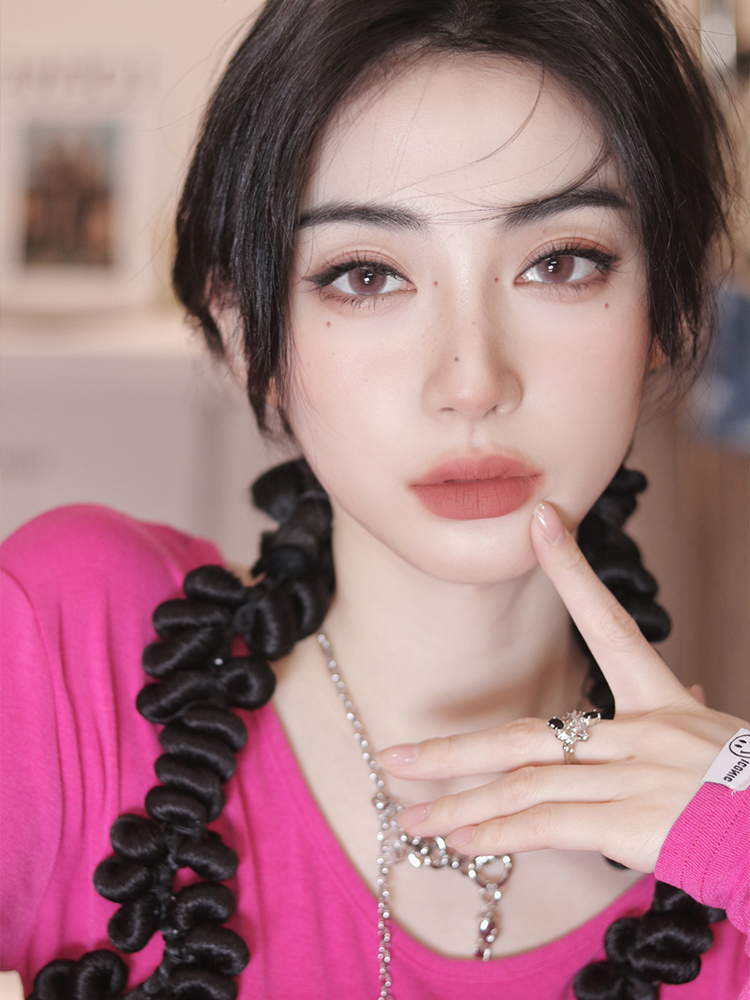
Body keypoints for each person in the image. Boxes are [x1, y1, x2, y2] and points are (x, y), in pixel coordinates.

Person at [1, 1, 748, 998]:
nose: (472, 381)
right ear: (246, 335)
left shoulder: (732, 857)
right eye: (366, 274)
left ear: (666, 311)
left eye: (561, 262)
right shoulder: (70, 646)